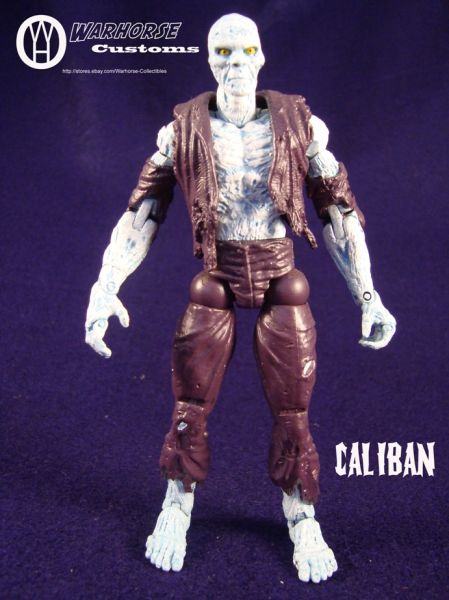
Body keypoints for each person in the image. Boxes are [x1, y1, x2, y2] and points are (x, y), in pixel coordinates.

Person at [85, 13, 396, 584]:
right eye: (222, 52)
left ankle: (302, 513)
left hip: (281, 273)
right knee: (190, 400)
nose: (234, 64)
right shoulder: (181, 131)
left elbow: (338, 212)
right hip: (218, 272)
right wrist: (106, 286)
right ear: (209, 61)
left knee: (294, 405)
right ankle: (177, 504)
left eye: (245, 50)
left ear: (261, 56)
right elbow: (142, 214)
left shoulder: (301, 124)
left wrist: (368, 295)